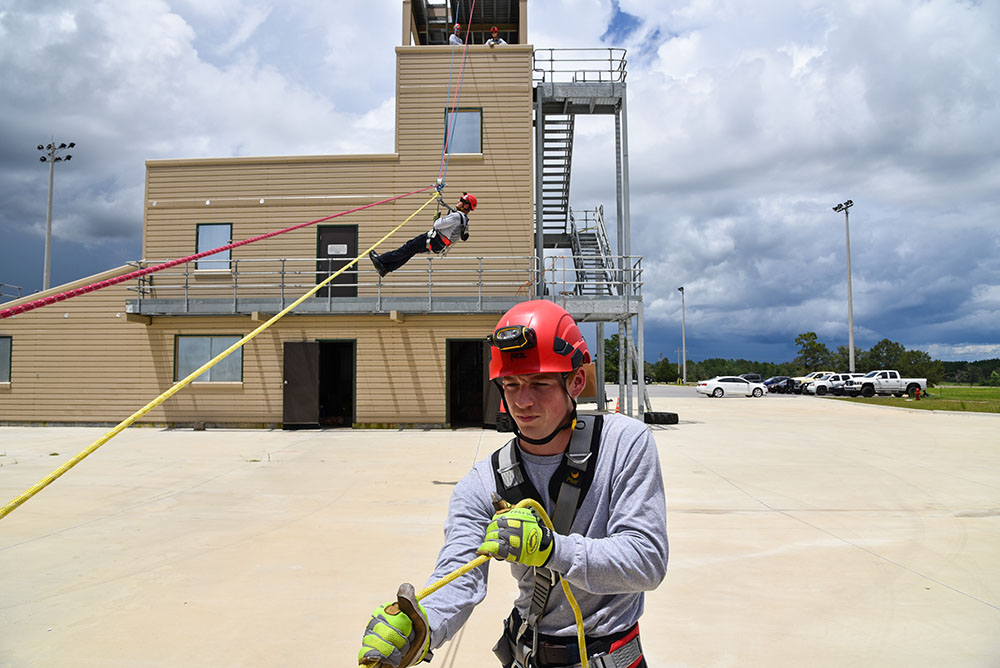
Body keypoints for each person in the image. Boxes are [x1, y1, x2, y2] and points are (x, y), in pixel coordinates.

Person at [359, 300, 669, 667]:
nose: (522, 401)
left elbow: (646, 560)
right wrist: (422, 627)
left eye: (539, 383)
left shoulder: (624, 444)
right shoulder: (483, 484)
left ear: (577, 381)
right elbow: (460, 576)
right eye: (511, 384)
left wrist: (552, 549)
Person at [369, 193, 475, 277]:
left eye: (461, 200)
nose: (458, 201)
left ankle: (381, 260)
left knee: (408, 247)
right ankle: (387, 268)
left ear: (466, 206)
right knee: (410, 251)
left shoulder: (456, 216)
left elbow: (437, 225)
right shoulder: (463, 219)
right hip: (438, 244)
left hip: (435, 239)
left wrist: (437, 219)